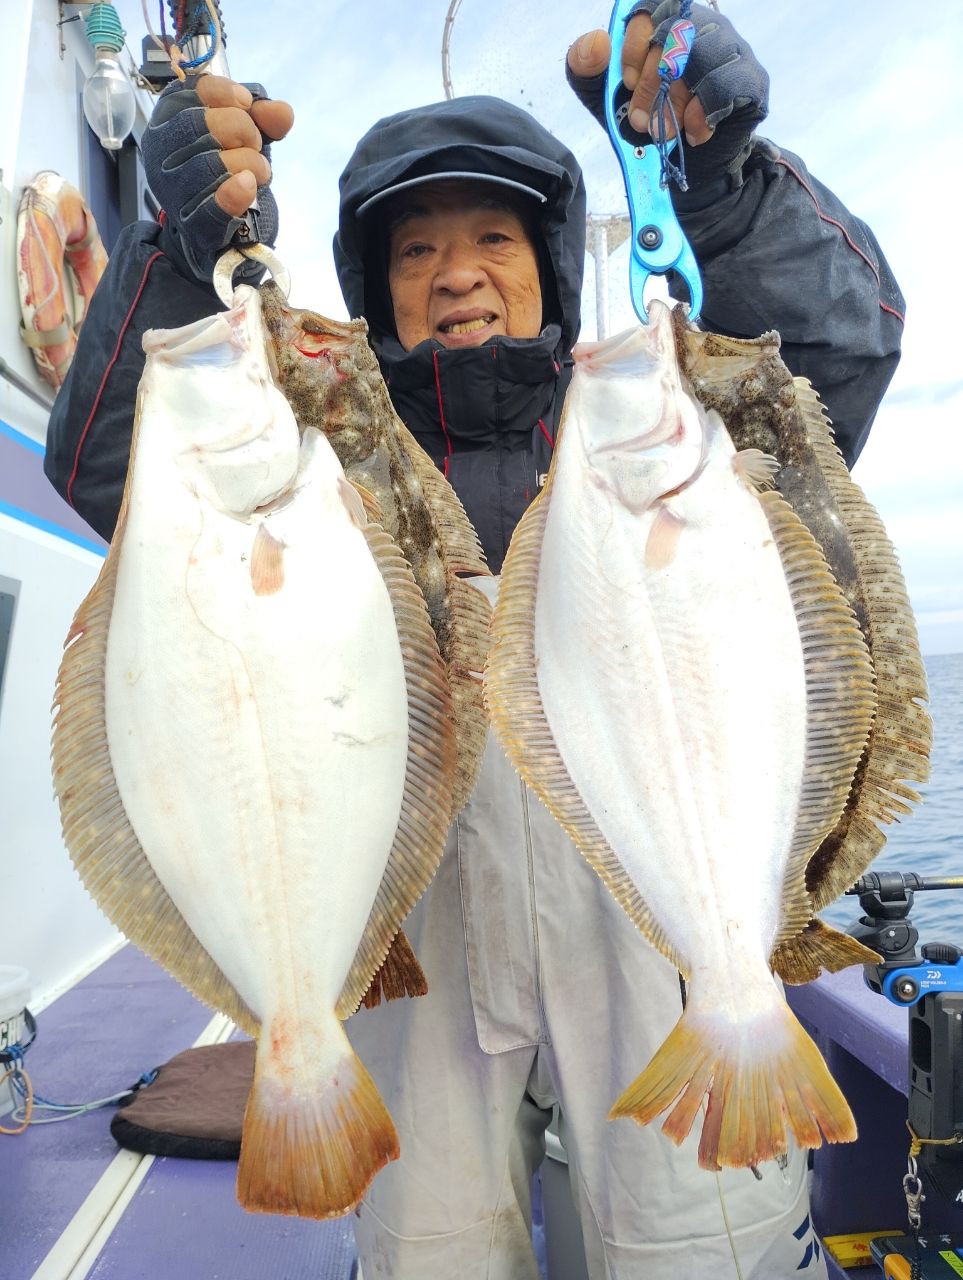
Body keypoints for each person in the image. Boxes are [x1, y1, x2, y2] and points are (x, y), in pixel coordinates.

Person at [44, 4, 903, 1276]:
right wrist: (175, 248)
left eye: (494, 236)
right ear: (378, 284)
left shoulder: (651, 411)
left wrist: (712, 175)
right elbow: (116, 467)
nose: (456, 271)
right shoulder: (328, 439)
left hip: (647, 885)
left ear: (549, 261)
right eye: (416, 249)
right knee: (429, 1249)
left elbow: (829, 357)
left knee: (694, 1244)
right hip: (413, 898)